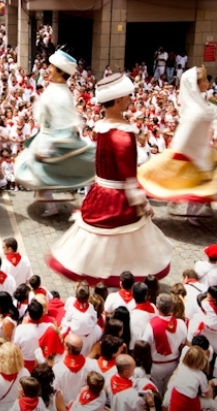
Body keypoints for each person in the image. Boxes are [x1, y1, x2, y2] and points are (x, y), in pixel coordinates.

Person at [48, 74, 173, 284]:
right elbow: (129, 180)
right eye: (127, 96)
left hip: (100, 192)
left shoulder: (102, 126)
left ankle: (106, 279)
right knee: (124, 241)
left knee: (103, 241)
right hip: (119, 197)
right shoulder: (122, 135)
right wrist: (143, 203)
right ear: (117, 100)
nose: (130, 100)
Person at [138, 66, 217, 219]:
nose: (208, 83)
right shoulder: (196, 111)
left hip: (205, 152)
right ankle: (197, 207)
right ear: (195, 84)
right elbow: (182, 139)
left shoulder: (203, 105)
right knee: (207, 179)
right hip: (194, 154)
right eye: (204, 80)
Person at [15, 50, 95, 217]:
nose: (49, 69)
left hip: (50, 141)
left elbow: (62, 128)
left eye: (52, 66)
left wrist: (47, 151)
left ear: (60, 71)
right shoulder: (56, 88)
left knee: (37, 174)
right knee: (32, 171)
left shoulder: (61, 95)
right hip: (44, 136)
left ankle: (52, 206)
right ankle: (50, 204)